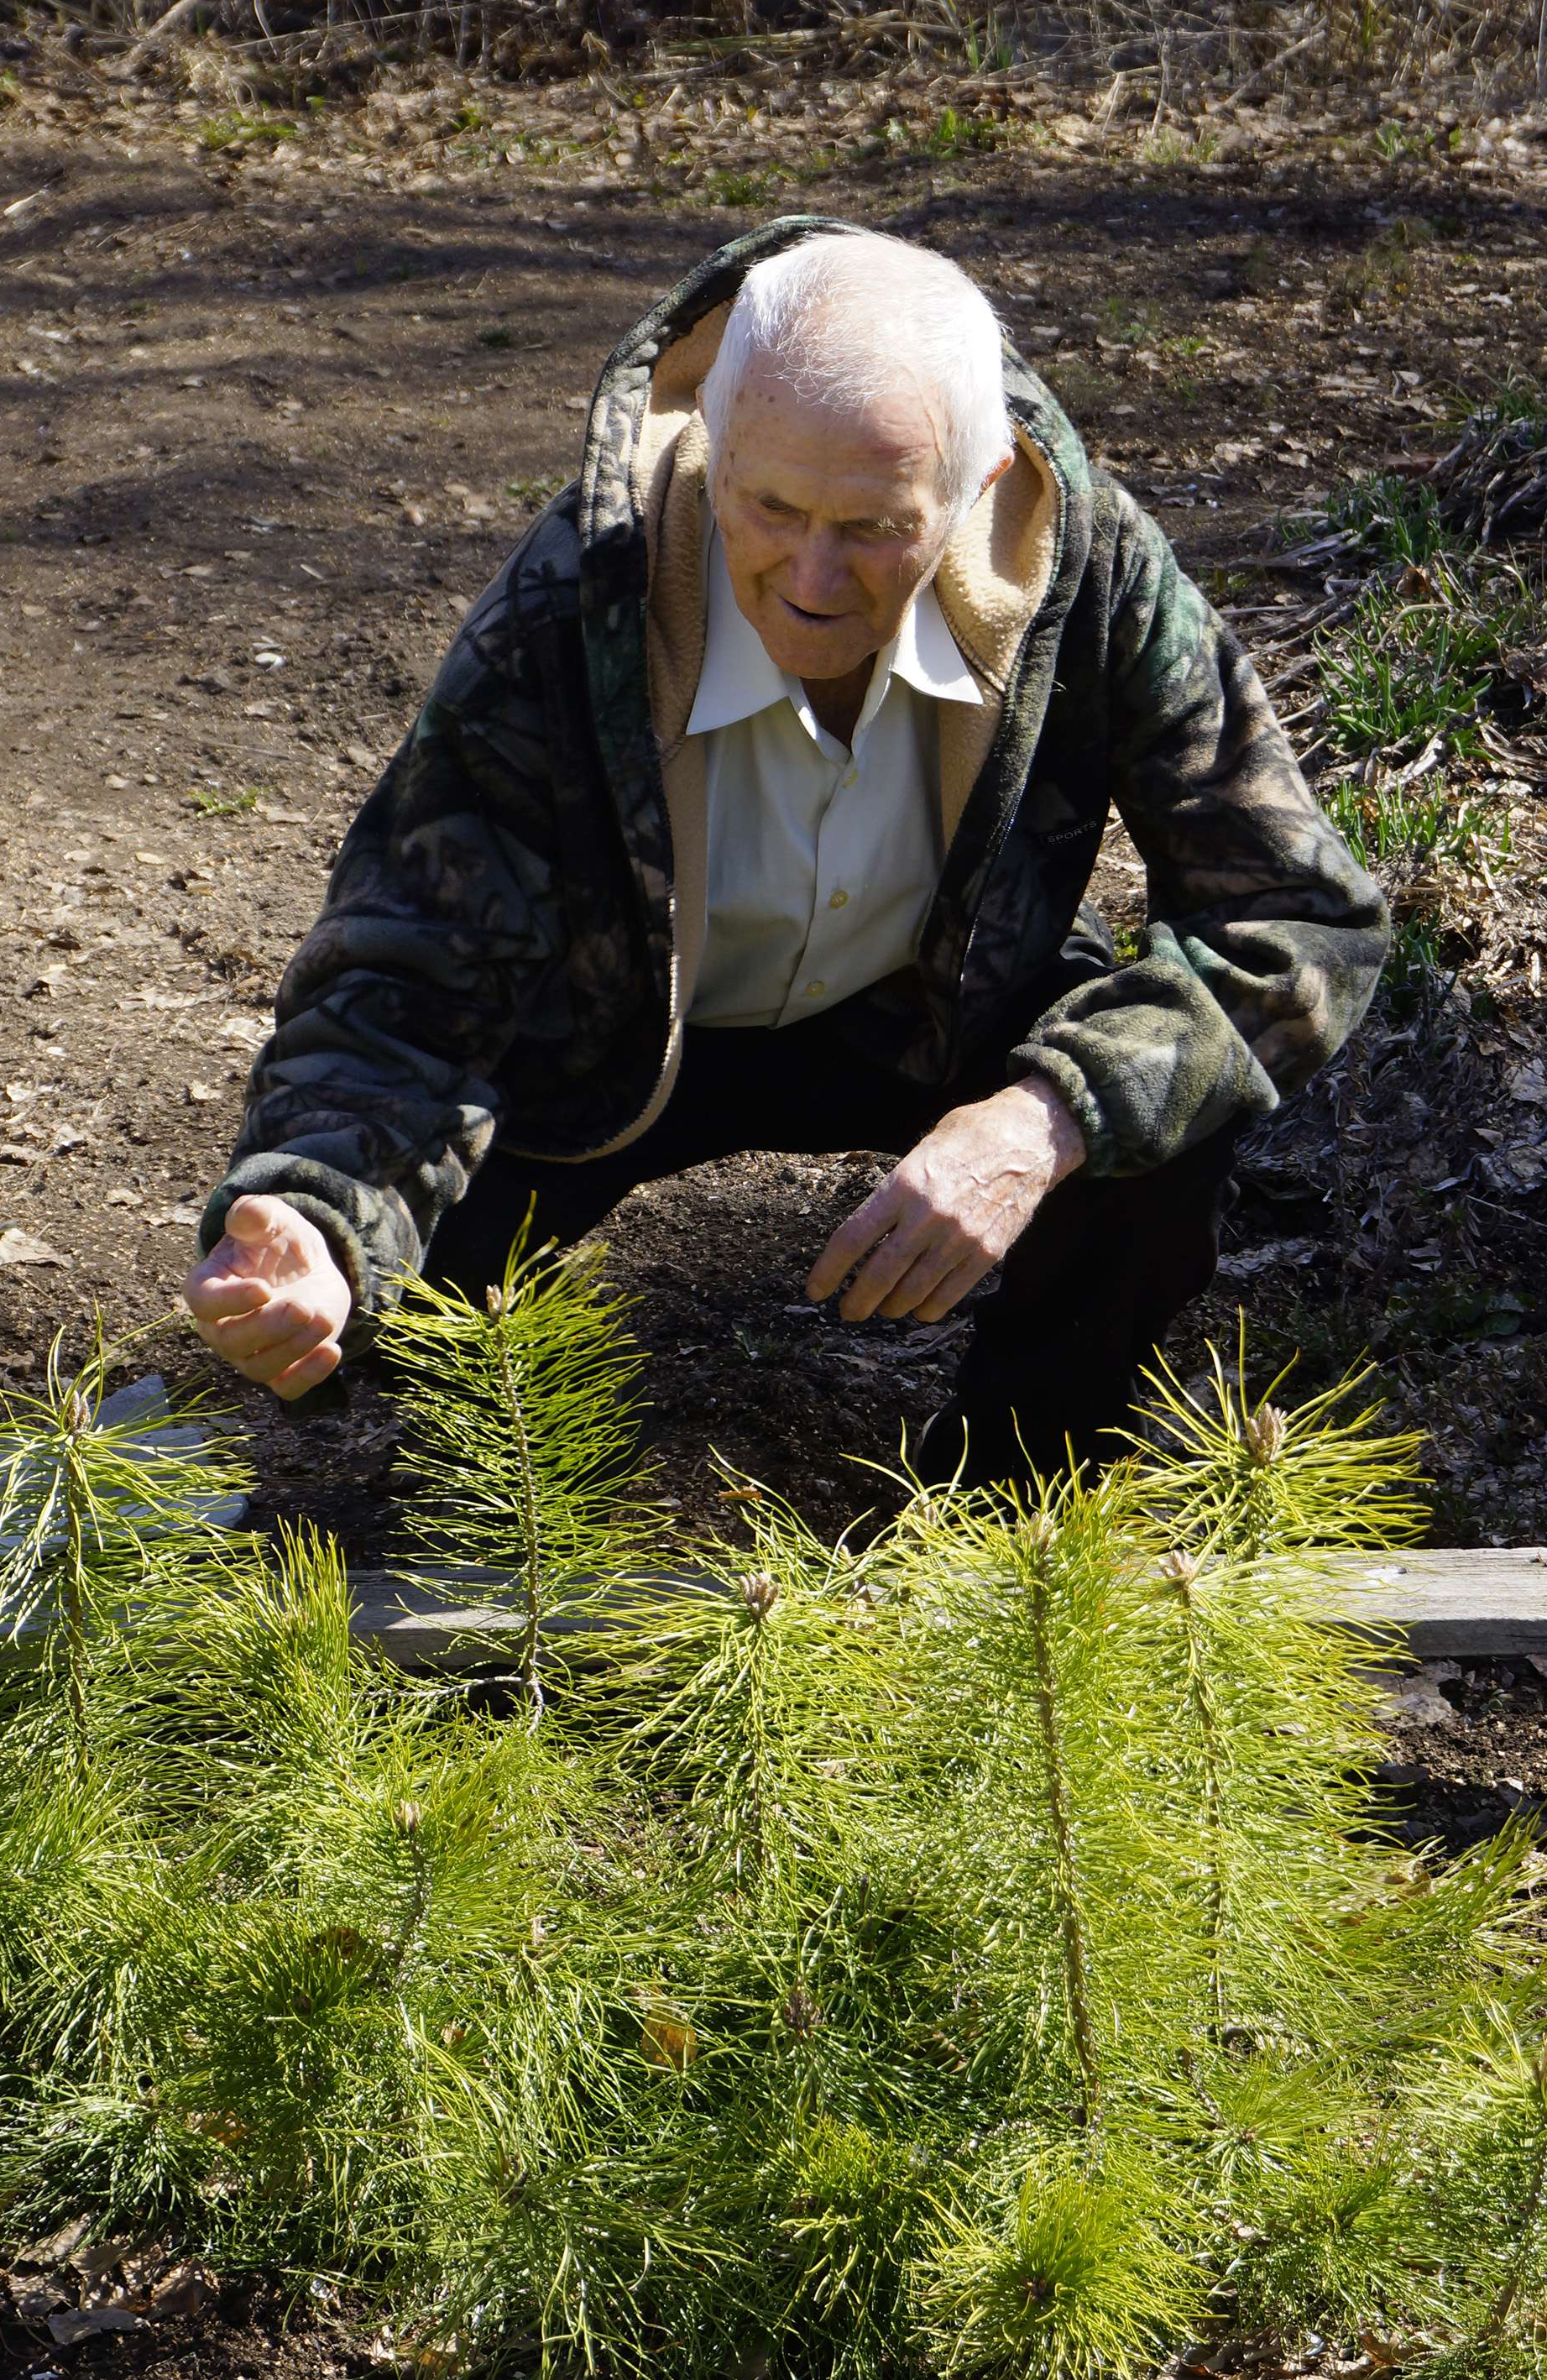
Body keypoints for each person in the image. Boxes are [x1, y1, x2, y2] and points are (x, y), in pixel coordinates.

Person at [182, 222, 1385, 1484]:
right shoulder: (575, 599)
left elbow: (1306, 919)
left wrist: (1045, 1117)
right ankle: (486, 1506)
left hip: (938, 1004)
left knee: (1142, 1123)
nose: (811, 578)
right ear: (714, 447)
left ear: (975, 491)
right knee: (385, 1301)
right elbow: (404, 967)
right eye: (769, 508)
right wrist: (317, 1211)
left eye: (872, 528)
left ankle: (1022, 1518)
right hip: (612, 1040)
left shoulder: (1088, 573)